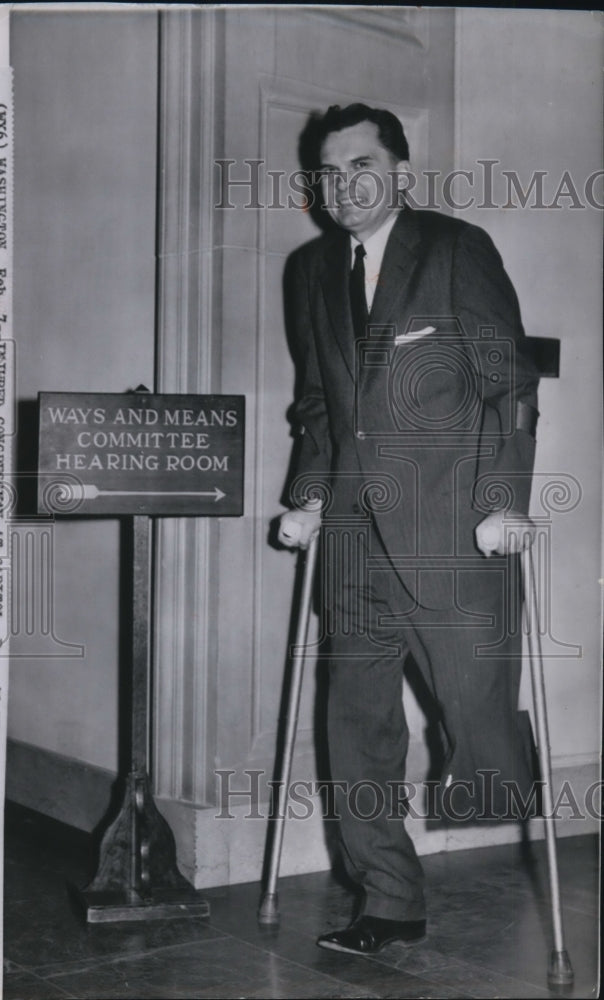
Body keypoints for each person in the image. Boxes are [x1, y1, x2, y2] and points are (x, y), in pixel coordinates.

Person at [278, 103, 540, 956]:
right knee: (356, 729)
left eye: (360, 166)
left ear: (398, 171)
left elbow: (510, 387)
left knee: (477, 725)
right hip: (352, 540)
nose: (342, 185)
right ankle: (387, 900)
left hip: (454, 531)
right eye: (327, 170)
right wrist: (309, 497)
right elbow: (319, 406)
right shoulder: (309, 271)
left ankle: (508, 775)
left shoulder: (455, 248)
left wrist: (506, 500)